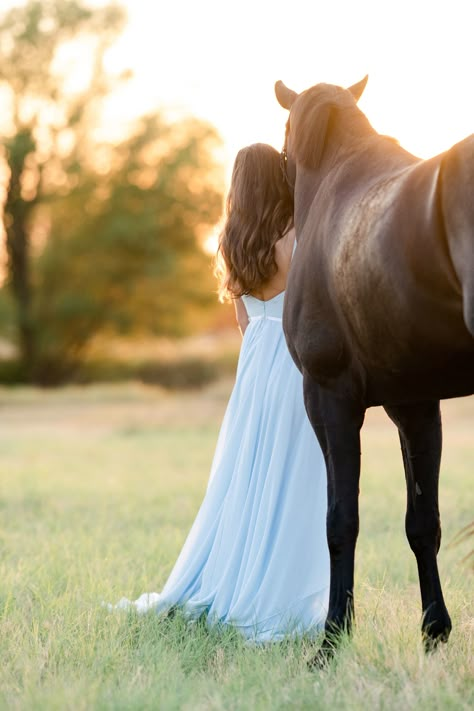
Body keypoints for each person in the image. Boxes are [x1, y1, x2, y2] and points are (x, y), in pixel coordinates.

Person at [109, 143, 330, 642]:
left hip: (253, 374)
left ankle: (237, 577)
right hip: (296, 365)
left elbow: (244, 321)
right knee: (293, 479)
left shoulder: (232, 242)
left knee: (248, 478)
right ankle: (279, 592)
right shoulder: (298, 237)